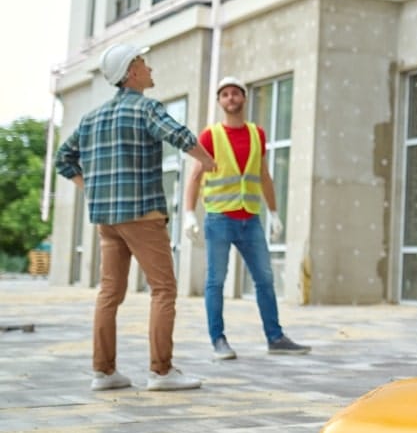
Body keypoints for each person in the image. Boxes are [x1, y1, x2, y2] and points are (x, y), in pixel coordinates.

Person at [55, 43, 217, 392]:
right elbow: (180, 135)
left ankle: (104, 371)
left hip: (107, 220)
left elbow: (62, 159)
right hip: (142, 215)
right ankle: (161, 371)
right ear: (131, 72)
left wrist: (93, 188)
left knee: (109, 292)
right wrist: (206, 160)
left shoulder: (90, 118)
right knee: (163, 289)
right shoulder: (146, 108)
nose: (150, 69)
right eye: (144, 63)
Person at [183, 76, 309, 359]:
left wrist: (274, 212)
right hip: (219, 220)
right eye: (225, 94)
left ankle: (275, 338)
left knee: (264, 279)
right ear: (219, 101)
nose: (230, 98)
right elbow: (195, 176)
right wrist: (190, 214)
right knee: (216, 280)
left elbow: (264, 175)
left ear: (244, 98)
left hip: (250, 219)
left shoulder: (257, 134)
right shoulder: (210, 136)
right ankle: (218, 340)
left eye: (235, 93)